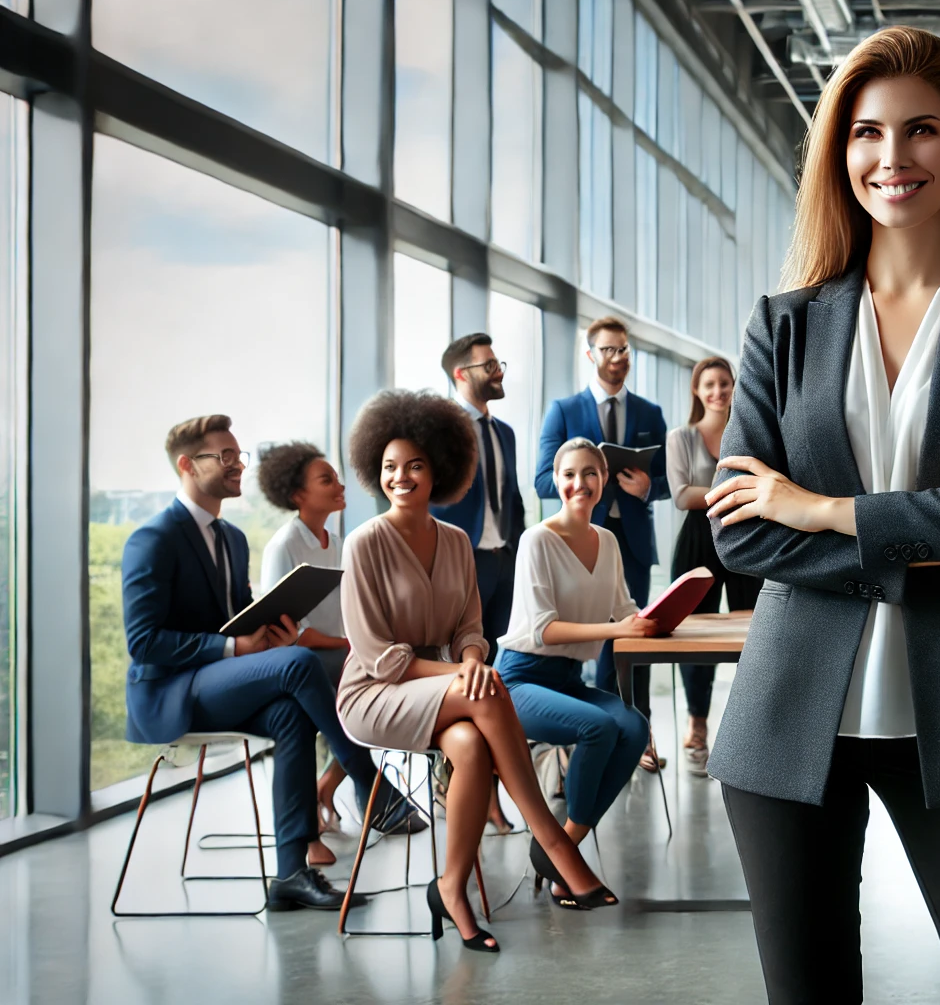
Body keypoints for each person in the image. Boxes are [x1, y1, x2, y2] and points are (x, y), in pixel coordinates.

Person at [701, 27, 940, 1004]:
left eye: (919, 131)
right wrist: (939, 527)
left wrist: (820, 508)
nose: (892, 157)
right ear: (841, 151)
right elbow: (739, 529)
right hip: (787, 724)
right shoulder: (784, 324)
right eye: (867, 133)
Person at [337, 390, 613, 952]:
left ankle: (452, 887)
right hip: (373, 693)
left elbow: (469, 631)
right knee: (485, 696)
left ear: (438, 469)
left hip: (446, 689)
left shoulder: (458, 542)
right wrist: (461, 675)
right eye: (389, 467)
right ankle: (555, 843)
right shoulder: (363, 544)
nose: (401, 477)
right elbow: (375, 655)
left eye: (414, 465)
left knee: (469, 744)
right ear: (375, 471)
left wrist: (467, 663)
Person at [122, 415, 416, 911]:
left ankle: (291, 875)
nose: (238, 465)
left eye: (240, 455)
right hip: (170, 692)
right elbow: (144, 643)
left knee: (290, 712)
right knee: (301, 663)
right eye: (225, 457)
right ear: (187, 466)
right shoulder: (154, 539)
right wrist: (237, 649)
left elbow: (236, 620)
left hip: (217, 682)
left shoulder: (232, 539)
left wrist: (266, 634)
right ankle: (372, 787)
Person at [496, 438, 657, 889]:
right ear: (556, 481)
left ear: (603, 481)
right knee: (598, 727)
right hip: (520, 678)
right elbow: (544, 628)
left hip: (568, 679)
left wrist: (661, 615)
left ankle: (561, 847)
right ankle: (564, 857)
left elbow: (625, 609)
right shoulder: (537, 540)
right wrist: (617, 630)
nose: (579, 483)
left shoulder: (606, 541)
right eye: (569, 474)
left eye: (590, 473)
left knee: (633, 726)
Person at [536, 316, 669, 771]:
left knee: (636, 639)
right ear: (591, 355)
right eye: (609, 350)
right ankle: (581, 738)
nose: (619, 358)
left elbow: (668, 480)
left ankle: (638, 733)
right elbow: (540, 480)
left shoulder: (650, 413)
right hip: (574, 542)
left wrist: (646, 487)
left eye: (625, 350)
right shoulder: (563, 409)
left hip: (628, 544)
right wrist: (587, 482)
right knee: (581, 642)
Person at [432, 333, 529, 831]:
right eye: (488, 364)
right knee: (463, 677)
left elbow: (511, 498)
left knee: (492, 675)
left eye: (498, 362)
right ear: (460, 375)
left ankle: (485, 791)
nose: (498, 371)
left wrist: (519, 550)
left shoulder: (504, 432)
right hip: (458, 562)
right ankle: (463, 791)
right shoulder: (441, 429)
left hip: (501, 560)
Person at [257, 441, 354, 865]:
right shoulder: (283, 547)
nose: (339, 484)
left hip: (337, 658)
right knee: (369, 687)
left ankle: (327, 786)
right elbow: (291, 635)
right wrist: (350, 645)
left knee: (381, 690)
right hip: (299, 663)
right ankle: (369, 798)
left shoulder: (338, 543)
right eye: (326, 479)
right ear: (299, 496)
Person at [666, 356, 763, 775]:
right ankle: (697, 727)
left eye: (725, 383)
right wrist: (734, 489)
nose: (718, 391)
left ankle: (752, 727)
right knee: (693, 635)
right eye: (709, 384)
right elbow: (681, 495)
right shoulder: (681, 437)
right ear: (696, 390)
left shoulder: (749, 431)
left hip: (744, 534)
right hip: (697, 541)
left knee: (756, 630)